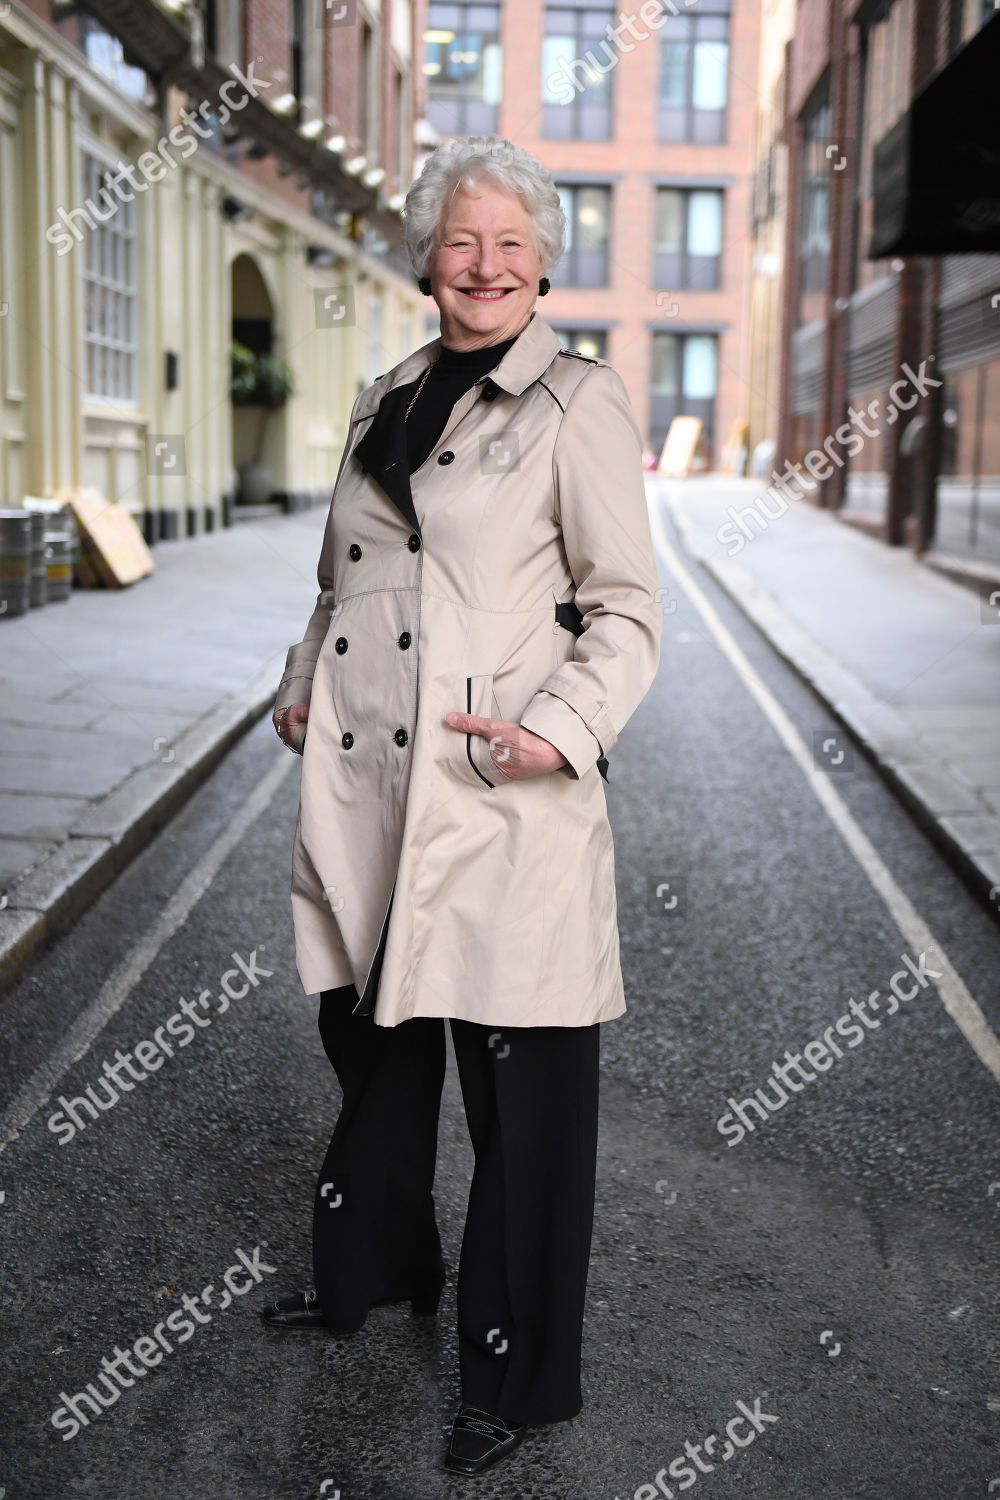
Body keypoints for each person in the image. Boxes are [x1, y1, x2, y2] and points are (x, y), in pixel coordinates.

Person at [264, 133, 662, 1477]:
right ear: (427, 259)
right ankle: (375, 1267)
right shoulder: (389, 392)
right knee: (370, 1042)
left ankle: (515, 1377)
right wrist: (296, 679)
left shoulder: (578, 402)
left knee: (523, 1106)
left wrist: (559, 735)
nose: (484, 266)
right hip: (373, 788)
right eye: (460, 242)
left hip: (503, 796)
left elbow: (627, 613)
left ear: (543, 264)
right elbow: (340, 579)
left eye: (510, 245)